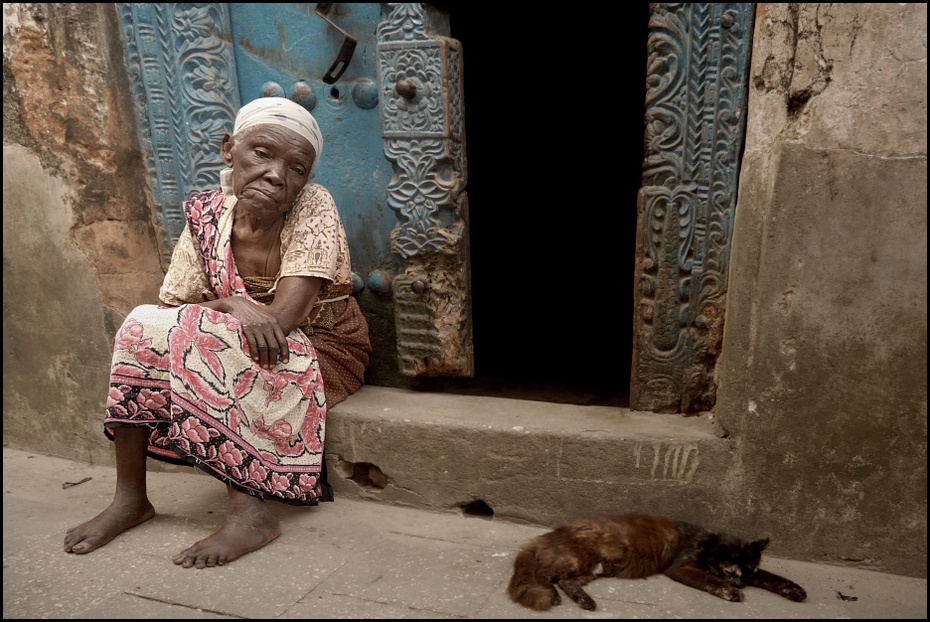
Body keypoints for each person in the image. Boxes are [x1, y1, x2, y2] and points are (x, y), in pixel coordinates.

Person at [63, 97, 372, 568]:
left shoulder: (315, 206)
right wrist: (230, 303)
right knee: (142, 324)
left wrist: (222, 313)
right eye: (262, 154)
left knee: (206, 335)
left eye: (296, 167)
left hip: (321, 347)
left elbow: (282, 320)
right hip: (242, 334)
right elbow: (172, 309)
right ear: (229, 149)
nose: (276, 175)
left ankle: (251, 514)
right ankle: (130, 499)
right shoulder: (206, 215)